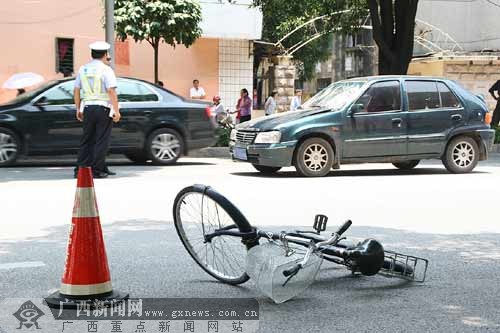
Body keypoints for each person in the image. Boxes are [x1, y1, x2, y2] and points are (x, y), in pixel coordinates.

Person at [73, 41, 121, 179]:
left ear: (92, 54)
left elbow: (76, 90)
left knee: (87, 139)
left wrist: (78, 109)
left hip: (87, 108)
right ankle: (97, 169)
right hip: (103, 108)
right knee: (101, 140)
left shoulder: (83, 69)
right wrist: (116, 111)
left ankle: (81, 168)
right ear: (105, 54)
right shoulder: (106, 70)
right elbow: (111, 90)